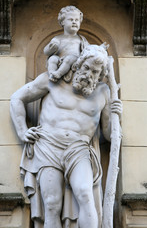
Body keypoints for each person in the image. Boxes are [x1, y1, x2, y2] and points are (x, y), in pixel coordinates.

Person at [10, 44, 122, 228]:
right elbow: (17, 98)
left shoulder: (103, 92)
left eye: (95, 72)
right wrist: (23, 131)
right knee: (52, 204)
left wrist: (115, 112)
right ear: (77, 65)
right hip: (48, 146)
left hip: (79, 150)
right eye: (86, 68)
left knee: (86, 194)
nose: (88, 75)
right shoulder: (52, 80)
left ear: (100, 75)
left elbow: (109, 135)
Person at [43, 6, 88, 82]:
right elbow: (46, 52)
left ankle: (58, 73)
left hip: (75, 61)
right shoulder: (57, 38)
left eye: (76, 20)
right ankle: (52, 73)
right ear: (63, 22)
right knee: (52, 59)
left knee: (69, 58)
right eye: (71, 19)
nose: (74, 22)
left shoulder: (81, 39)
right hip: (59, 61)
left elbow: (89, 51)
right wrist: (51, 47)